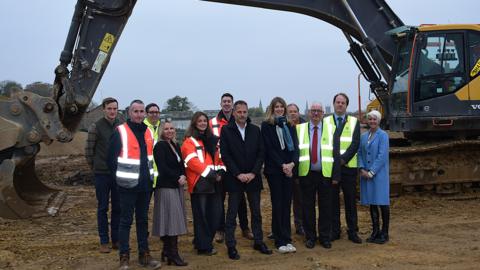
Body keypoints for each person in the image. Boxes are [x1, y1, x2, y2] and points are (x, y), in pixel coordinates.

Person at [107, 99, 161, 270]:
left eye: (141, 111)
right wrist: (122, 179)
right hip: (127, 186)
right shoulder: (120, 131)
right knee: (125, 221)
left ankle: (144, 255)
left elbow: (151, 158)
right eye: (135, 111)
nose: (138, 114)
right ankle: (124, 257)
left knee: (143, 220)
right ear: (129, 113)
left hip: (145, 185)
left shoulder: (148, 132)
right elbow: (111, 160)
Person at [220, 100, 272, 260]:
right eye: (239, 112)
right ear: (234, 113)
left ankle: (258, 241)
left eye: (244, 112)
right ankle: (231, 245)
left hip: (253, 178)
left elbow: (261, 153)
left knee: (256, 212)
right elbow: (225, 155)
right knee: (232, 213)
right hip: (235, 179)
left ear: (247, 113)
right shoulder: (226, 130)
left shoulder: (255, 130)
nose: (242, 115)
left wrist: (253, 173)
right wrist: (238, 174)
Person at [210, 93, 253, 243]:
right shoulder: (213, 122)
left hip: (237, 167)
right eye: (224, 101)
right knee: (219, 200)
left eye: (229, 102)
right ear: (221, 104)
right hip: (220, 167)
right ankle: (220, 230)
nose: (227, 104)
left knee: (240, 200)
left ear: (233, 105)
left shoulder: (240, 121)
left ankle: (245, 228)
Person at [182, 111, 224, 256]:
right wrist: (211, 174)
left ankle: (202, 240)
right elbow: (192, 162)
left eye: (204, 121)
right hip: (200, 183)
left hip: (214, 182)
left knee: (216, 214)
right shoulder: (189, 141)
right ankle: (203, 246)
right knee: (202, 216)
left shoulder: (213, 139)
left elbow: (219, 159)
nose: (202, 123)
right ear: (194, 123)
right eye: (199, 121)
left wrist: (221, 172)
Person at [85, 97, 123, 253]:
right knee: (102, 208)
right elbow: (88, 150)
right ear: (104, 109)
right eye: (110, 108)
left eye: (115, 109)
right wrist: (95, 167)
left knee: (118, 207)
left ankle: (116, 240)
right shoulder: (96, 127)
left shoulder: (121, 127)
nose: (112, 111)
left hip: (118, 173)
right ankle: (104, 241)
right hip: (101, 174)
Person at [261, 97, 299, 253]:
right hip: (275, 170)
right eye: (276, 107)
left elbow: (295, 148)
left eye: (281, 107)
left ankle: (287, 237)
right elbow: (269, 149)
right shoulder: (266, 126)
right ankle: (279, 240)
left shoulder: (289, 125)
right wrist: (282, 165)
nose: (279, 109)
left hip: (289, 170)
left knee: (286, 204)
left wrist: (292, 164)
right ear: (272, 108)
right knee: (278, 204)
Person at [325, 93, 362, 244]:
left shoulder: (354, 121)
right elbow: (325, 143)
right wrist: (335, 162)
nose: (340, 105)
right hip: (332, 169)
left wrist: (342, 159)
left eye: (343, 103)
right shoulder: (326, 121)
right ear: (333, 104)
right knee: (333, 201)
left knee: (350, 201)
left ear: (346, 105)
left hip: (348, 168)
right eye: (338, 102)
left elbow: (355, 143)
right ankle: (335, 231)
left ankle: (353, 231)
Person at [296, 102, 333, 249]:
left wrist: (335, 175)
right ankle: (310, 237)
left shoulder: (331, 129)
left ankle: (324, 237)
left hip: (325, 174)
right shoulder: (300, 129)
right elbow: (296, 152)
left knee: (325, 207)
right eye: (313, 111)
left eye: (318, 111)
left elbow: (334, 153)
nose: (316, 113)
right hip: (306, 174)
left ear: (323, 113)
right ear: (309, 113)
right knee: (307, 207)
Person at [152, 121, 188, 266]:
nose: (169, 131)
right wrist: (177, 177)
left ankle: (166, 251)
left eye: (171, 128)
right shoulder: (160, 146)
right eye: (166, 129)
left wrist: (184, 175)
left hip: (176, 186)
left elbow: (181, 165)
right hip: (166, 187)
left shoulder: (174, 145)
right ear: (162, 131)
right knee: (171, 220)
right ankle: (173, 254)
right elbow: (163, 167)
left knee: (171, 219)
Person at [358, 110, 390, 244]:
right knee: (372, 203)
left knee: (382, 203)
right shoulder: (364, 136)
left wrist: (371, 172)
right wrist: (361, 168)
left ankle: (385, 232)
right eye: (370, 119)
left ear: (378, 121)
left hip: (379, 175)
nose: (372, 121)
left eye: (374, 119)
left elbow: (382, 156)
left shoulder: (383, 136)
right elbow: (359, 152)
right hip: (366, 175)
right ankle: (375, 231)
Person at [287, 103, 306, 236]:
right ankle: (281, 226)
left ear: (298, 113)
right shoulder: (283, 126)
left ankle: (300, 225)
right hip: (286, 169)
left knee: (300, 200)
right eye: (290, 111)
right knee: (284, 200)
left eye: (295, 111)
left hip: (301, 169)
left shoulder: (306, 127)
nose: (293, 113)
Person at [144, 103, 161, 189]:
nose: (154, 114)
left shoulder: (163, 128)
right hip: (146, 175)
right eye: (151, 112)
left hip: (161, 176)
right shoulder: (141, 128)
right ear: (146, 114)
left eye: (156, 112)